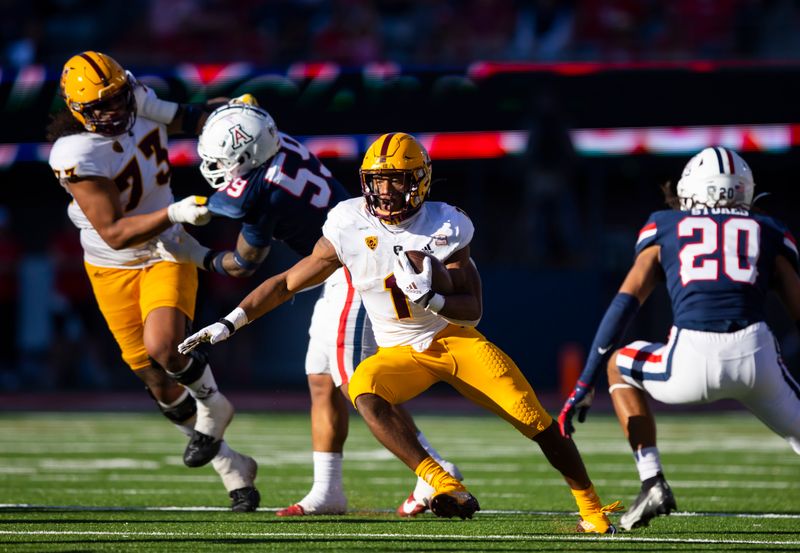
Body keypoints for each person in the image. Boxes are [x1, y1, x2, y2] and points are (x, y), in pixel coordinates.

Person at [178, 132, 622, 531]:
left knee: (536, 422)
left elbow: (473, 312)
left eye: (396, 180)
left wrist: (434, 300)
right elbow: (286, 282)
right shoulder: (348, 221)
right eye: (377, 180)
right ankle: (441, 482)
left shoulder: (446, 224)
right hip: (400, 352)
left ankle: (592, 509)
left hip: (452, 341)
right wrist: (229, 322)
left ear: (420, 181)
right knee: (364, 389)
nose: (385, 191)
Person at [157, 102, 462, 516]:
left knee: (360, 386)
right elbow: (246, 107)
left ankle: (433, 467)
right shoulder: (274, 143)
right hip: (340, 262)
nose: (217, 168)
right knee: (322, 379)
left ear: (246, 155)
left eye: (223, 161)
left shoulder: (259, 187)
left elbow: (245, 262)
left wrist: (196, 254)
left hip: (350, 265)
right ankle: (328, 491)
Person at [46, 51, 259, 512]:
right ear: (77, 108)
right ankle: (231, 466)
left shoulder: (141, 102)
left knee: (166, 347)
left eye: (119, 97)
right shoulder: (75, 152)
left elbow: (200, 119)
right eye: (101, 105)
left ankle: (215, 406)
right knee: (158, 383)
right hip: (110, 264)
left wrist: (236, 115)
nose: (115, 110)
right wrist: (175, 209)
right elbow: (116, 233)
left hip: (166, 250)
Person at [558, 146, 800, 531]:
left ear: (692, 189)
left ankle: (652, 480)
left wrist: (584, 382)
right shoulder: (768, 229)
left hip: (689, 359)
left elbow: (623, 306)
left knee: (619, 363)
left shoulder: (666, 225)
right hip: (756, 356)